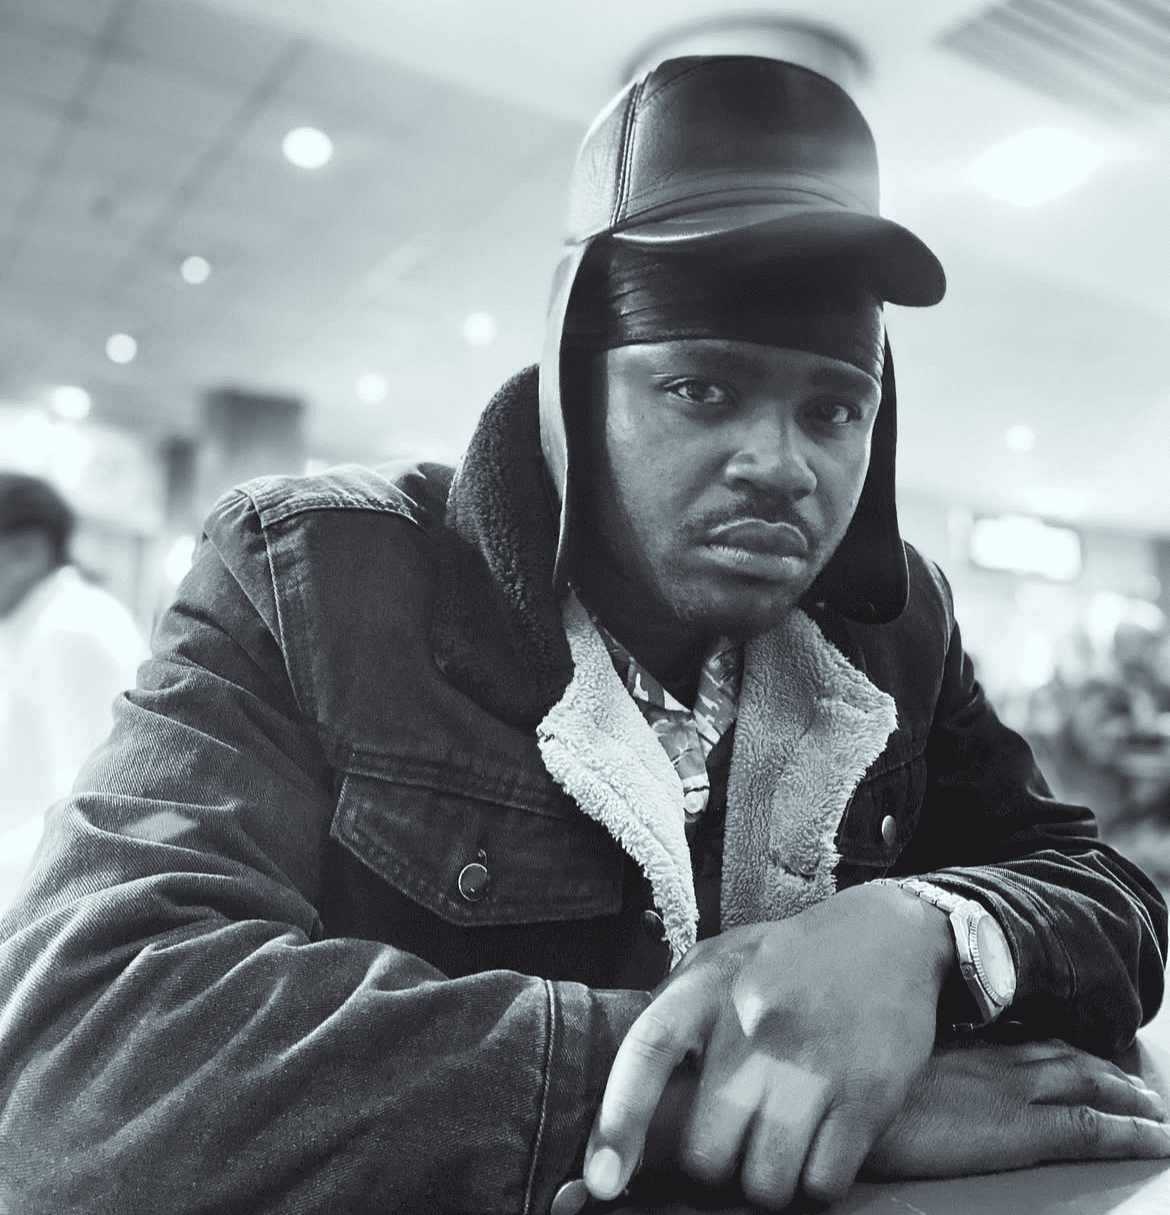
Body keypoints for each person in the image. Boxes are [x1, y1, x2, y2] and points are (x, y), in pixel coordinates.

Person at [0, 57, 1166, 1215]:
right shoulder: (312, 580)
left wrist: (920, 932)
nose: (782, 464)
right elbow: (84, 1050)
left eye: (832, 410)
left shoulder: (896, 631)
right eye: (702, 390)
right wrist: (732, 1083)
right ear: (574, 383)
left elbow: (1105, 895)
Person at [0, 473, 144, 910]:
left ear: (25, 553)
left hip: (55, 909)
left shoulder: (69, 630)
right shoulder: (44, 620)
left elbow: (96, 818)